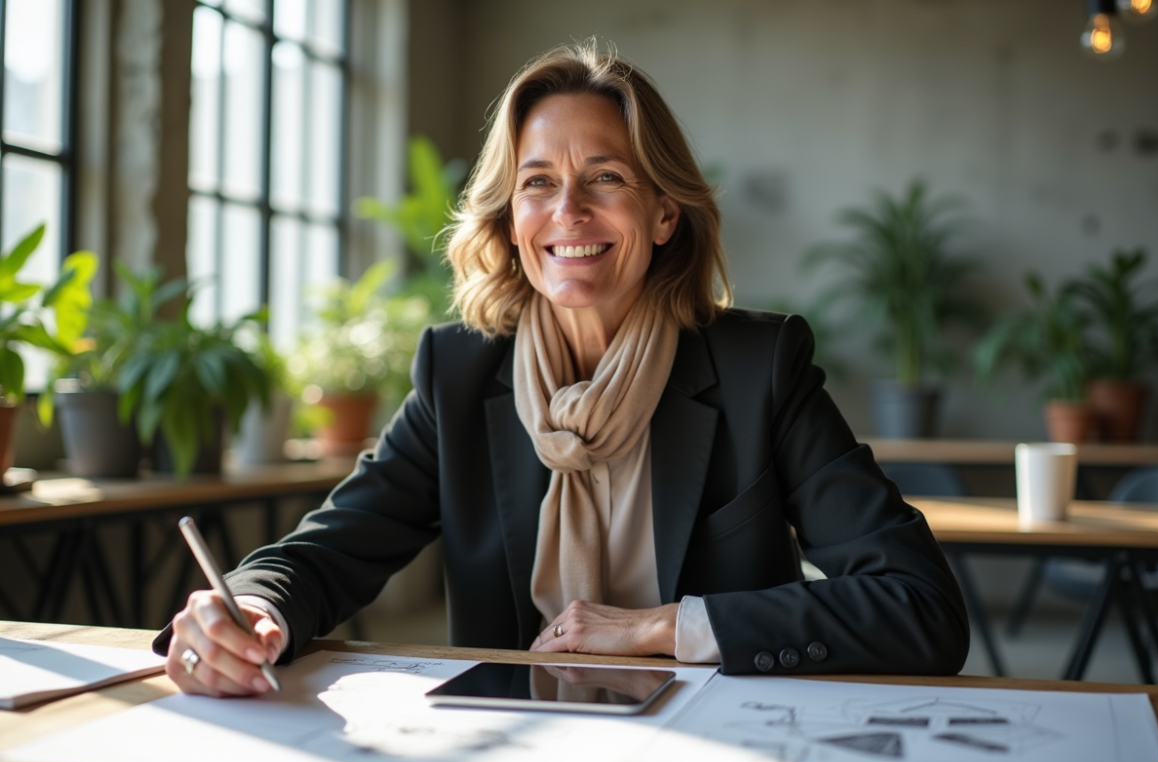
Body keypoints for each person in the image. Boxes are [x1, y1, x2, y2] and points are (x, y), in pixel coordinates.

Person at [157, 41, 969, 697]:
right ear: (511, 222)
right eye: (537, 184)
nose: (568, 212)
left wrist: (660, 627)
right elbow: (328, 551)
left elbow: (921, 608)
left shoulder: (761, 368)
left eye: (605, 179)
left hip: (725, 744)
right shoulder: (460, 372)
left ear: (662, 214)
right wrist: (251, 606)